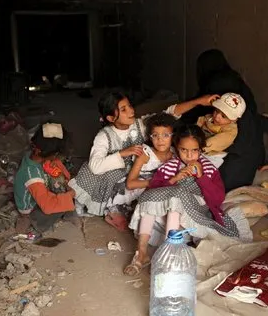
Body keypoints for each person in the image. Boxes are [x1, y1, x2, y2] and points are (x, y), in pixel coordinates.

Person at [68, 90, 219, 231]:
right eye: (124, 109)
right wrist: (122, 153)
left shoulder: (140, 125)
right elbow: (96, 166)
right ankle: (112, 209)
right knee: (121, 202)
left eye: (130, 106)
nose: (131, 111)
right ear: (111, 118)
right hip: (113, 173)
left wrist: (199, 101)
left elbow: (168, 115)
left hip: (138, 170)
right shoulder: (104, 136)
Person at [125, 124, 251, 276]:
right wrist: (175, 178)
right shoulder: (170, 166)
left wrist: (201, 177)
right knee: (149, 197)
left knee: (177, 196)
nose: (189, 155)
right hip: (167, 219)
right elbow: (154, 187)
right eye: (184, 150)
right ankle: (141, 253)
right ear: (177, 148)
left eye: (194, 150)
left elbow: (217, 199)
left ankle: (168, 254)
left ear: (201, 150)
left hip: (196, 216)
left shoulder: (209, 169)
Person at [182, 49, 268, 191]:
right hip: (247, 168)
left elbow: (186, 119)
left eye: (223, 114)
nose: (218, 117)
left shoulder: (212, 96)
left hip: (225, 178)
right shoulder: (247, 112)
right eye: (217, 112)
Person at [14, 123, 76, 234]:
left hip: (38, 192)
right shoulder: (33, 175)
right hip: (31, 209)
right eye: (56, 154)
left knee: (59, 181)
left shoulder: (33, 155)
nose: (57, 156)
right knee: (61, 202)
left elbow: (62, 172)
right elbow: (48, 206)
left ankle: (65, 202)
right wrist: (68, 195)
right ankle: (35, 222)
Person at [124, 112, 177, 199]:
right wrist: (154, 182)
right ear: (150, 137)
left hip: (162, 193)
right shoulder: (145, 154)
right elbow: (130, 184)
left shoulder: (175, 153)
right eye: (155, 135)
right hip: (137, 194)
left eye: (166, 135)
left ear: (173, 136)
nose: (160, 139)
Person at [197, 92, 246, 163]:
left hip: (212, 153)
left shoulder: (231, 130)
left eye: (223, 116)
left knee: (207, 165)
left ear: (234, 119)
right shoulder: (209, 117)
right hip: (198, 144)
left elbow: (217, 141)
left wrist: (200, 147)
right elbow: (199, 123)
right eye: (216, 111)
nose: (217, 117)